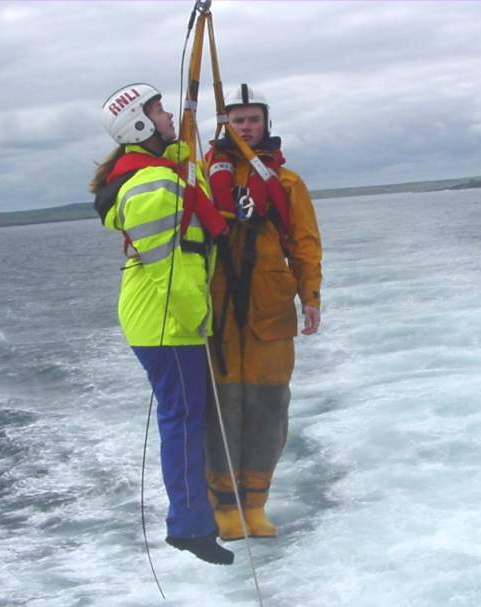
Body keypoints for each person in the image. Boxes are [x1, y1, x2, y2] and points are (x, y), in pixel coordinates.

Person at [89, 82, 233, 565]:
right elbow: (170, 270)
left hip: (160, 320)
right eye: (159, 111)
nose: (169, 115)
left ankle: (194, 518)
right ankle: (190, 527)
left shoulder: (159, 170)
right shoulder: (153, 185)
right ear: (140, 124)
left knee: (184, 419)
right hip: (169, 322)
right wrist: (199, 325)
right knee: (184, 423)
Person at [203, 83, 322, 540]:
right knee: (222, 408)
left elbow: (305, 244)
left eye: (253, 119)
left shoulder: (288, 184)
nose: (246, 127)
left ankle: (256, 503)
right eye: (237, 120)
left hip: (271, 311)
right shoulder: (201, 173)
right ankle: (223, 503)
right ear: (224, 125)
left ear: (266, 124)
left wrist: (310, 296)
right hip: (215, 312)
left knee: (268, 409)